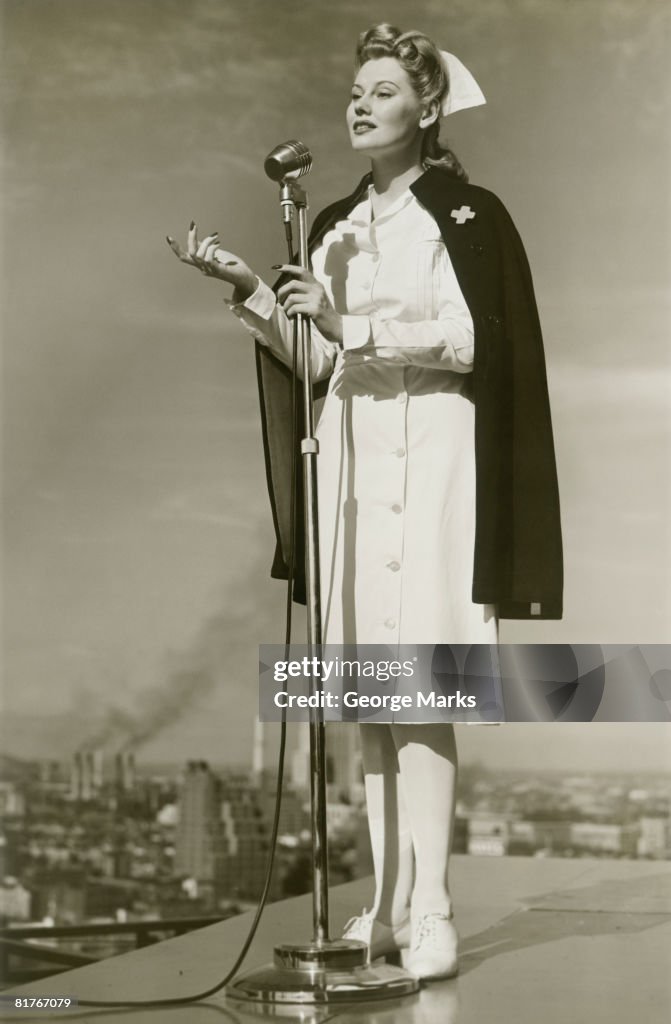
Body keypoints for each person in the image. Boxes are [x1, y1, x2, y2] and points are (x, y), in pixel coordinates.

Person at [167, 23, 563, 981]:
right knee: (367, 701)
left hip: (432, 460)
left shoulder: (469, 217)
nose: (359, 104)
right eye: (356, 90)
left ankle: (432, 911)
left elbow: (475, 340)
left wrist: (354, 322)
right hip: (351, 462)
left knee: (420, 694)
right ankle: (380, 908)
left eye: (382, 91)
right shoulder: (335, 226)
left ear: (426, 107)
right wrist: (255, 292)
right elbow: (321, 363)